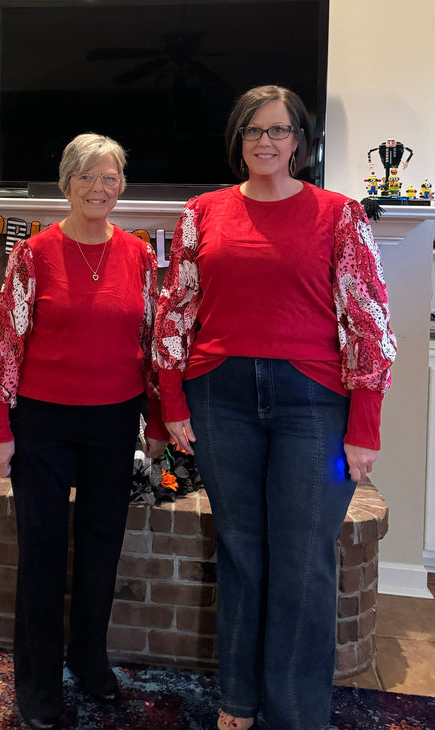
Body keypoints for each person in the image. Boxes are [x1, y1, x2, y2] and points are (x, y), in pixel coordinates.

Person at [154, 86, 396, 730]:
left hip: (313, 405)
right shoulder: (202, 212)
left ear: (300, 142)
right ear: (239, 140)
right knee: (240, 549)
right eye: (253, 130)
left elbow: (370, 323)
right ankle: (237, 700)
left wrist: (364, 426)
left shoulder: (340, 214)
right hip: (219, 397)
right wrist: (172, 401)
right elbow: (174, 312)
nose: (266, 141)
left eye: (280, 131)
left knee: (303, 558)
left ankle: (295, 713)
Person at [0, 133, 168, 730]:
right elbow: (6, 345)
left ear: (122, 186)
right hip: (41, 421)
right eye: (88, 177)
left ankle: (90, 663)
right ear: (67, 184)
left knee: (100, 550)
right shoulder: (32, 254)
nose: (100, 188)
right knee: (40, 554)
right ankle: (37, 684)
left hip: (113, 422)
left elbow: (150, 346)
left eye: (110, 177)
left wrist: (156, 421)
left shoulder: (140, 257)